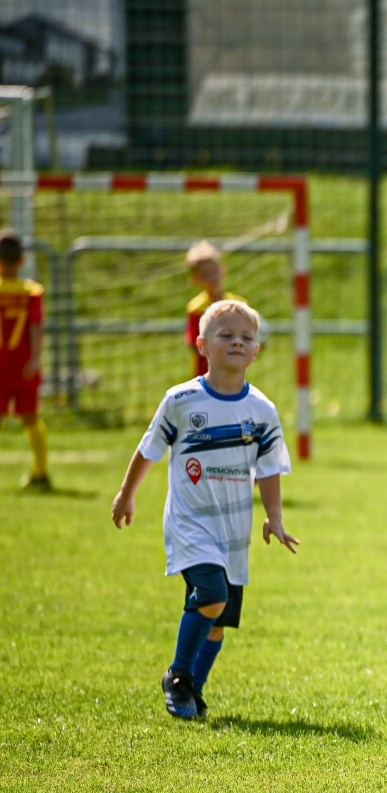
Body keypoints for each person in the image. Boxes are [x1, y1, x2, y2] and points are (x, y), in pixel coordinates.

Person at [111, 299, 298, 721]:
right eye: (225, 335)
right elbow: (148, 450)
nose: (237, 341)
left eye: (246, 337)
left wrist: (275, 516)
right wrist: (127, 494)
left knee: (217, 621)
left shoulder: (262, 411)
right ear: (202, 345)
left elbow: (270, 469)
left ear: (257, 351)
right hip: (189, 522)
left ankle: (193, 691)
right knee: (211, 596)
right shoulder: (180, 400)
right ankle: (178, 677)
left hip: (235, 530)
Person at [0, 230, 48, 490]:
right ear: (22, 261)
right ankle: (41, 472)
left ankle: (40, 473)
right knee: (31, 417)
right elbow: (36, 326)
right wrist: (36, 358)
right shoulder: (32, 292)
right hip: (24, 364)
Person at [185, 241, 245, 377]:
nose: (212, 277)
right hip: (206, 375)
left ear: (223, 269)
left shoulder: (239, 304)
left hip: (234, 373)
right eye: (205, 274)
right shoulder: (196, 308)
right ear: (196, 279)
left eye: (214, 271)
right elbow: (194, 343)